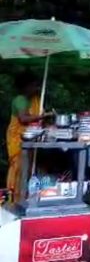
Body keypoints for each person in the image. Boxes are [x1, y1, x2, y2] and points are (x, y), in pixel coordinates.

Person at [5, 73, 52, 201]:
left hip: (33, 137)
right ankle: (15, 199)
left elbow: (39, 120)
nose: (36, 88)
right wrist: (42, 116)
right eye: (33, 85)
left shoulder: (36, 99)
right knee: (19, 169)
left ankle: (29, 196)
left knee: (32, 167)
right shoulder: (20, 100)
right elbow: (24, 118)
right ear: (25, 87)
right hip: (19, 138)